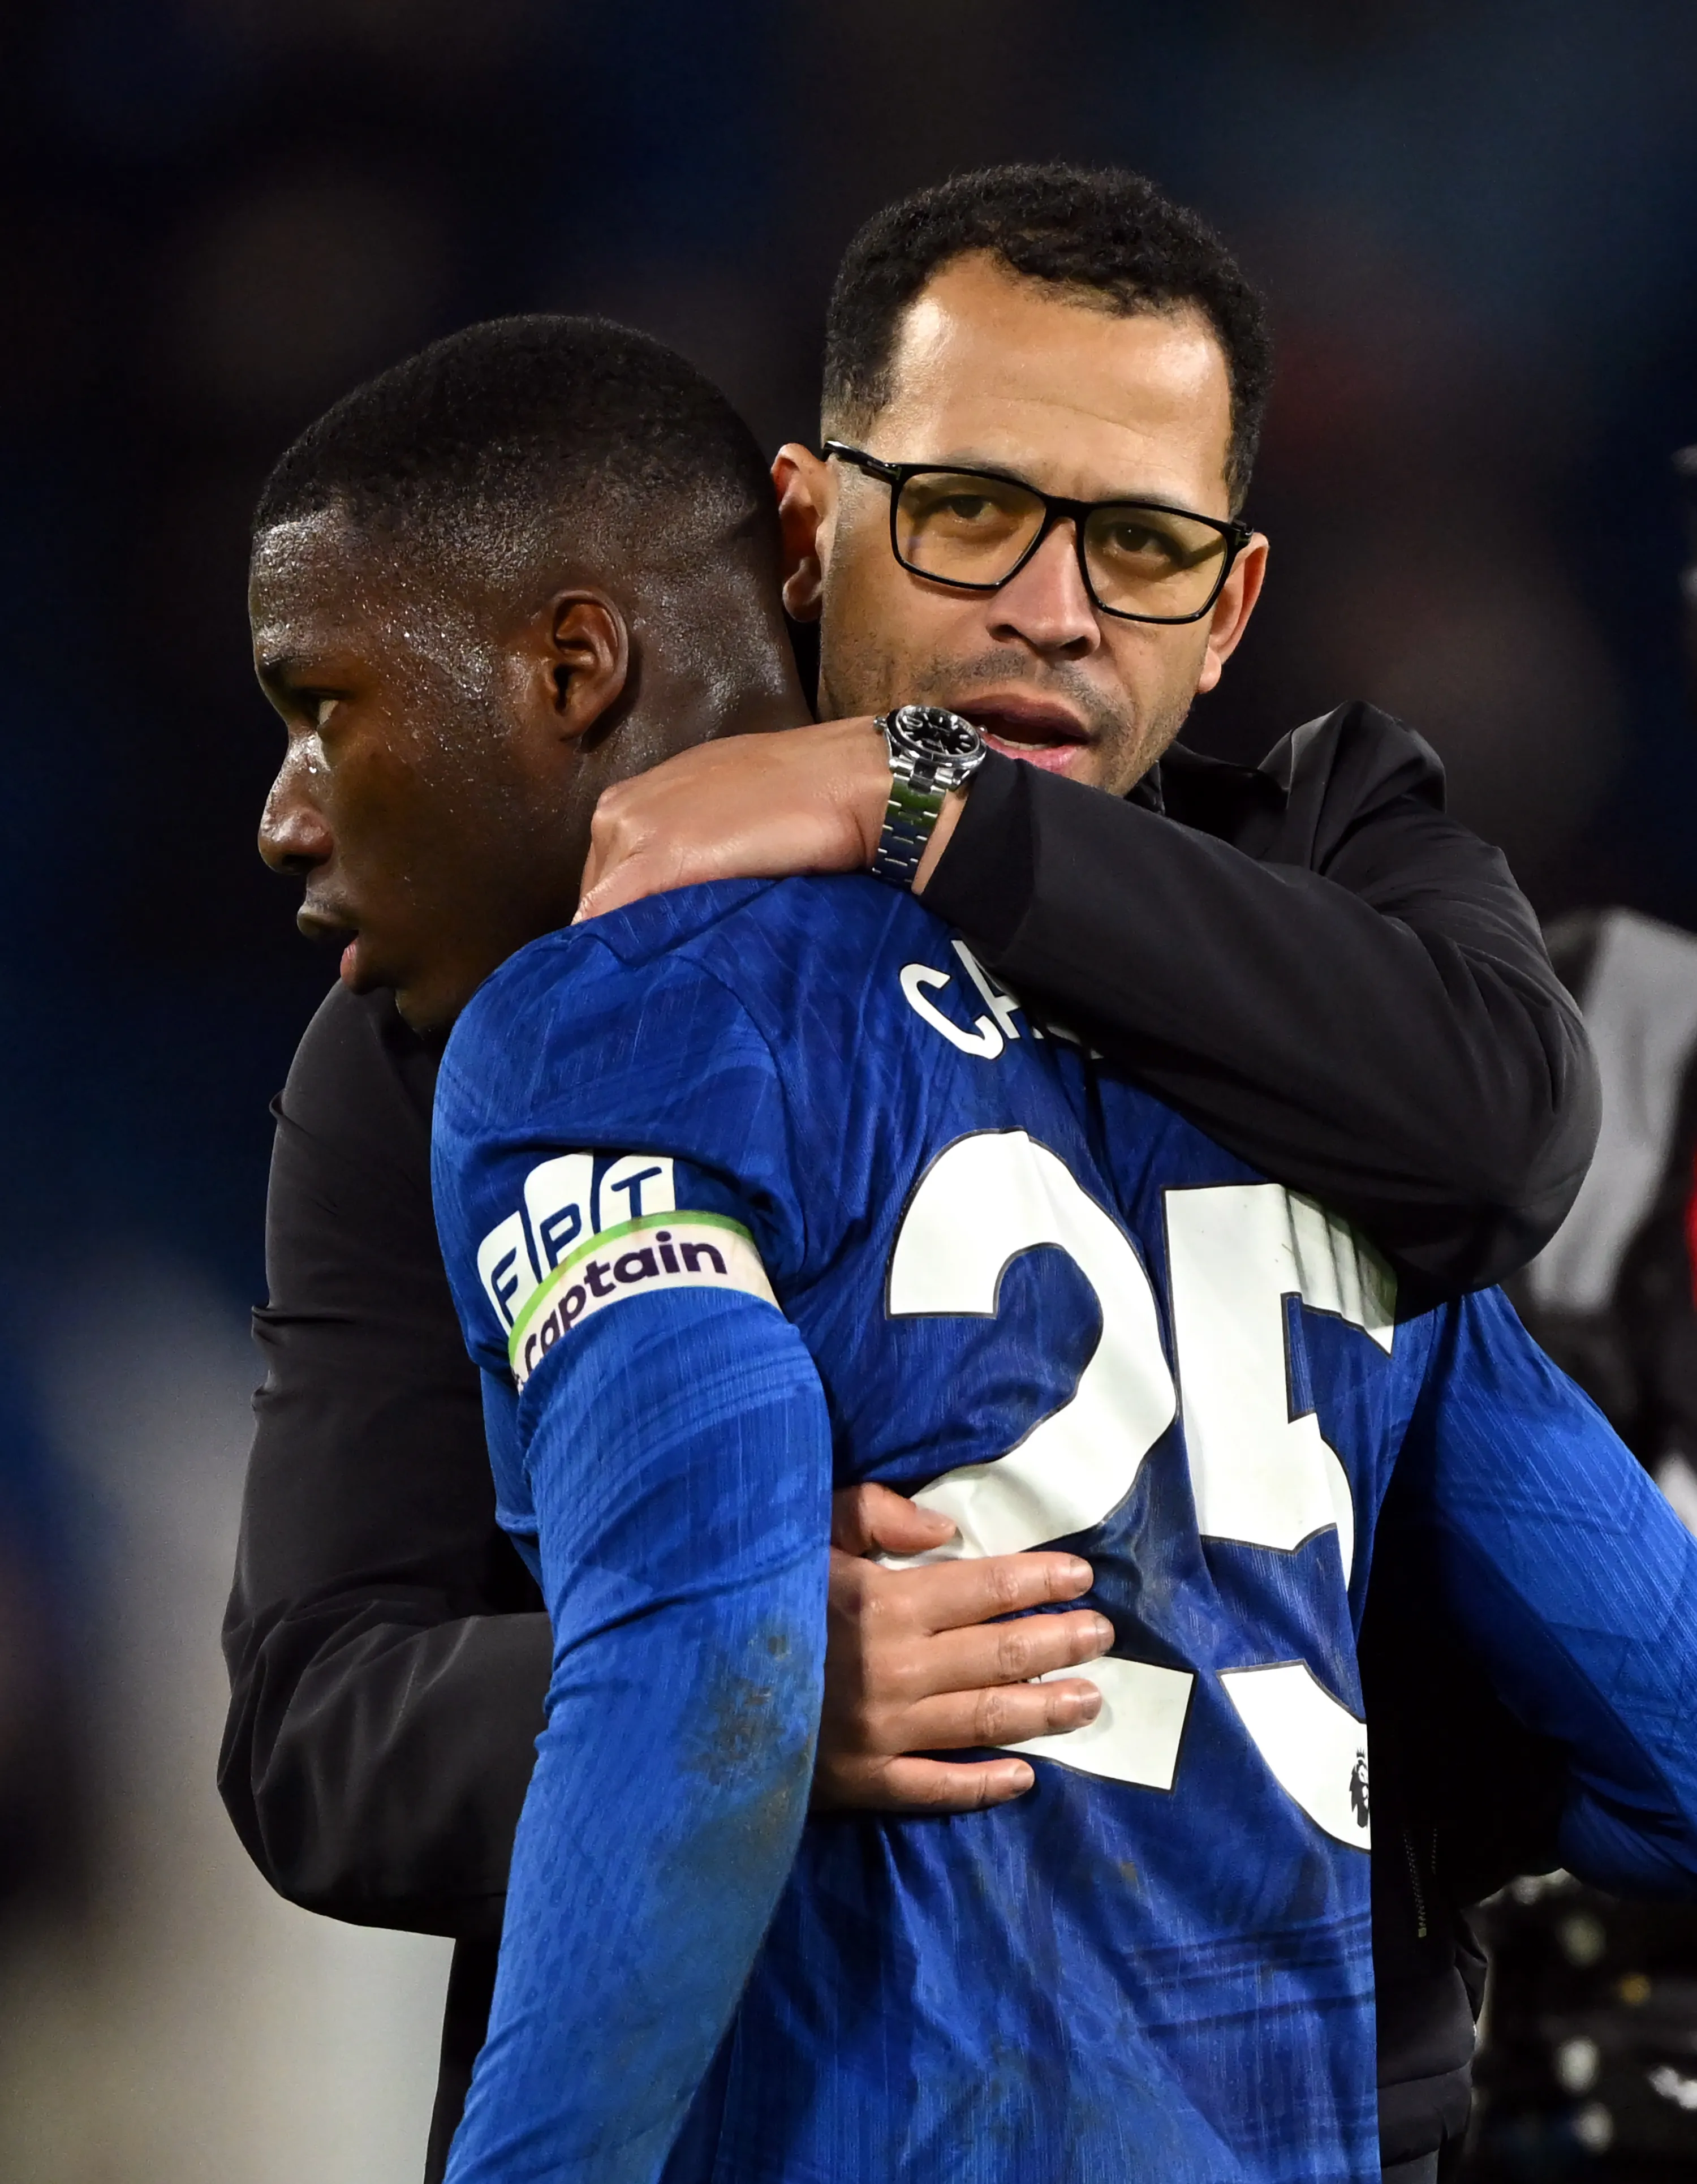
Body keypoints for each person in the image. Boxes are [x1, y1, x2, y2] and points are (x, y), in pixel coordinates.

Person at [224, 168, 1599, 2182]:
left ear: (1228, 611)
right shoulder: (466, 1022)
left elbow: (1506, 1130)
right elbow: (315, 1727)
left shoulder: (1333, 869)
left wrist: (926, 797)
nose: (1052, 609)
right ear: (813, 524)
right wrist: (745, 1682)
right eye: (970, 512)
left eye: (1141, 545)